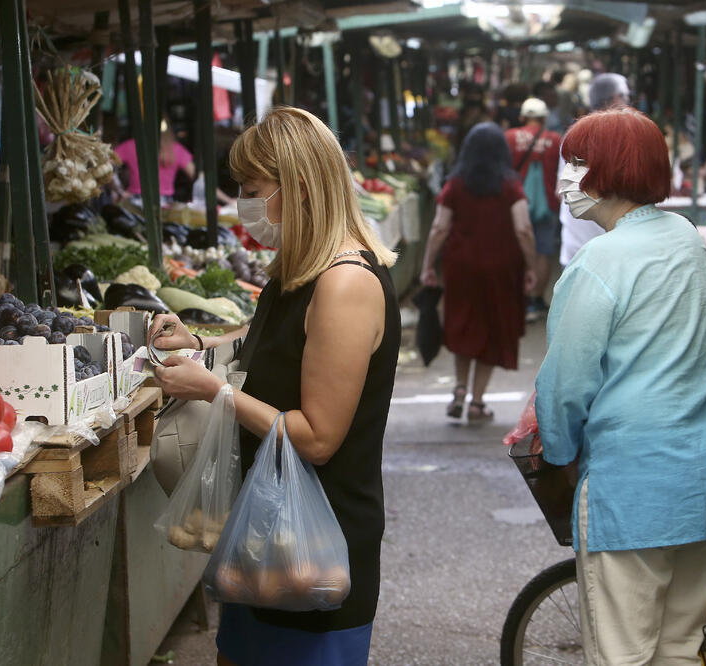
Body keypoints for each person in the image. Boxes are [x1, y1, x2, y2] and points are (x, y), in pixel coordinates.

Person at [146, 107, 400, 666]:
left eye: (252, 188)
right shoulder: (298, 270)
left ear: (302, 188)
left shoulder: (346, 285)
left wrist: (216, 392)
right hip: (268, 531)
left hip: (319, 542)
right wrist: (202, 343)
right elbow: (276, 345)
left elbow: (316, 439)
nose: (244, 203)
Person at [535, 108, 706, 665]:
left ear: (607, 170)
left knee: (623, 654)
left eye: (576, 162)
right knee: (679, 647)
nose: (565, 175)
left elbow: (565, 386)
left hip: (631, 491)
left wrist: (556, 457)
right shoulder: (683, 236)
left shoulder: (597, 263)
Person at [420, 123, 536, 423]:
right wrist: (532, 266)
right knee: (492, 329)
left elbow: (439, 227)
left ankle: (459, 389)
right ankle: (477, 402)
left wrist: (428, 265)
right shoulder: (511, 185)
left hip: (461, 268)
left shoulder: (455, 183)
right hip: (502, 269)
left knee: (464, 325)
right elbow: (523, 228)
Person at [558, 73, 631, 267]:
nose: (629, 102)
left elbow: (562, 190)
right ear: (614, 98)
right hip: (596, 248)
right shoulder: (612, 136)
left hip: (581, 246)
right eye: (625, 96)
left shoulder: (575, 133)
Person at [506, 98, 561, 322]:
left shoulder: (510, 137)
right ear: (544, 118)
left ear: (522, 116)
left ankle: (519, 296)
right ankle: (536, 300)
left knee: (517, 249)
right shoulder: (555, 140)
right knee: (543, 251)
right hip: (548, 203)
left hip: (516, 203)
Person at [115, 121, 235, 206]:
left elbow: (104, 166)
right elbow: (201, 179)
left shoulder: (132, 145)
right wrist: (228, 200)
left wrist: (118, 190)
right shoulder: (176, 150)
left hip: (134, 203)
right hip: (165, 206)